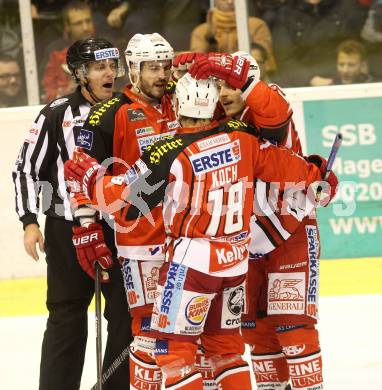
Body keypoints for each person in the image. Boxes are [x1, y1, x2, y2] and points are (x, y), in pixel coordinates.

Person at [64, 54, 337, 389]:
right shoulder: (243, 139)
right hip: (235, 261)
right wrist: (319, 174)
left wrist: (90, 180)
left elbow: (125, 201)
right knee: (228, 350)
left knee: (172, 351)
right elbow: (293, 168)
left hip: (191, 264)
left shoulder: (168, 149)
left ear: (178, 104)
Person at [12, 37, 132, 390]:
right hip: (66, 227)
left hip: (117, 229)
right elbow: (25, 169)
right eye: (99, 67)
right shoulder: (56, 113)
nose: (109, 73)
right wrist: (30, 222)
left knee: (126, 316)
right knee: (67, 316)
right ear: (81, 74)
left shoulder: (127, 109)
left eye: (113, 66)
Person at [210, 51, 328, 389]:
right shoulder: (216, 118)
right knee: (255, 328)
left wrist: (247, 82)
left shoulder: (270, 103)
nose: (224, 94)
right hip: (246, 241)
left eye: (232, 85)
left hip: (289, 233)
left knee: (293, 325)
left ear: (250, 85)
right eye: (220, 85)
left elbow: (275, 119)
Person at [78, 32, 178, 389]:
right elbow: (81, 173)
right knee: (148, 329)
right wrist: (85, 227)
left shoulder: (183, 101)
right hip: (140, 243)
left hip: (186, 238)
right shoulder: (109, 114)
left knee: (188, 329)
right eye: (153, 68)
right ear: (133, 70)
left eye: (166, 66)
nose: (162, 75)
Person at [190, 0, 276, 72]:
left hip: (251, 86)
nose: (230, 2)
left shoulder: (256, 26)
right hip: (215, 87)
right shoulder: (201, 31)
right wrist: (210, 39)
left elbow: (262, 65)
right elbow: (197, 66)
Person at [42, 0, 95, 102]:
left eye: (88, 21)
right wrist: (67, 91)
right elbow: (46, 90)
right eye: (78, 23)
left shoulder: (107, 46)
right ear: (67, 26)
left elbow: (120, 85)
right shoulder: (55, 51)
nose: (85, 28)